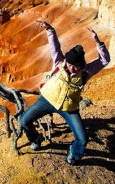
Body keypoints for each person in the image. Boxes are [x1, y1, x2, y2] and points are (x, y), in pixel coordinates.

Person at [20, 20, 110, 165]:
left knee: (82, 139)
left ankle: (73, 154)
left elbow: (105, 60)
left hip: (69, 108)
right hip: (47, 100)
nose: (72, 68)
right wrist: (50, 30)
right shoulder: (60, 63)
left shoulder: (86, 72)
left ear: (81, 66)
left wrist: (97, 41)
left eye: (76, 66)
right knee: (24, 120)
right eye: (70, 64)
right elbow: (54, 47)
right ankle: (36, 139)